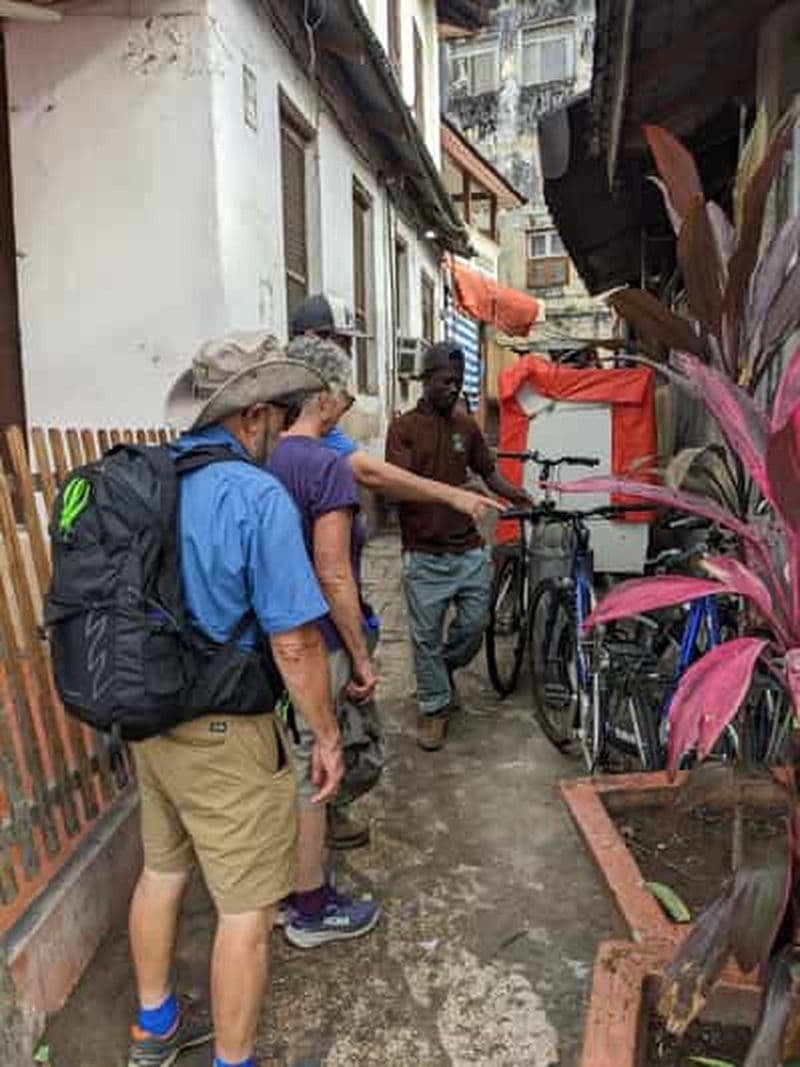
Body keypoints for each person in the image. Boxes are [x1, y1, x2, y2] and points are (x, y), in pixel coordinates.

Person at [127, 332, 344, 1067]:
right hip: (227, 735)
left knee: (162, 870)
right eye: (277, 417)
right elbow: (296, 642)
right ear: (251, 418)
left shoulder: (149, 483)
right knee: (245, 911)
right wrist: (327, 734)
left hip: (151, 722)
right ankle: (233, 1059)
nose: (279, 430)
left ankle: (154, 1025)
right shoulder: (256, 497)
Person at [289, 296, 503, 843]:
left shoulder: (296, 439)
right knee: (324, 741)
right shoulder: (320, 451)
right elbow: (340, 555)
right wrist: (360, 648)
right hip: (313, 622)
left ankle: (318, 829)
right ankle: (312, 871)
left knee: (317, 736)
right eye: (336, 350)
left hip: (295, 619)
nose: (347, 388)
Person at [267, 336, 382, 949]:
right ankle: (308, 904)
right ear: (328, 397)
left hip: (261, 641)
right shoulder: (324, 465)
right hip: (314, 643)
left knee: (280, 759)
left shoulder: (256, 460)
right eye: (345, 394)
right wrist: (360, 651)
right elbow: (334, 572)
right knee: (317, 758)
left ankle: (278, 886)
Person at [385, 341, 530, 752]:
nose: (453, 388)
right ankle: (434, 708)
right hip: (425, 555)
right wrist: (448, 492)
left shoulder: (467, 427)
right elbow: (396, 488)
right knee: (425, 637)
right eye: (446, 381)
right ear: (426, 379)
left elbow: (489, 474)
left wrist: (517, 495)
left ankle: (439, 673)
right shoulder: (403, 429)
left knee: (474, 625)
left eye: (458, 381)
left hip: (467, 551)